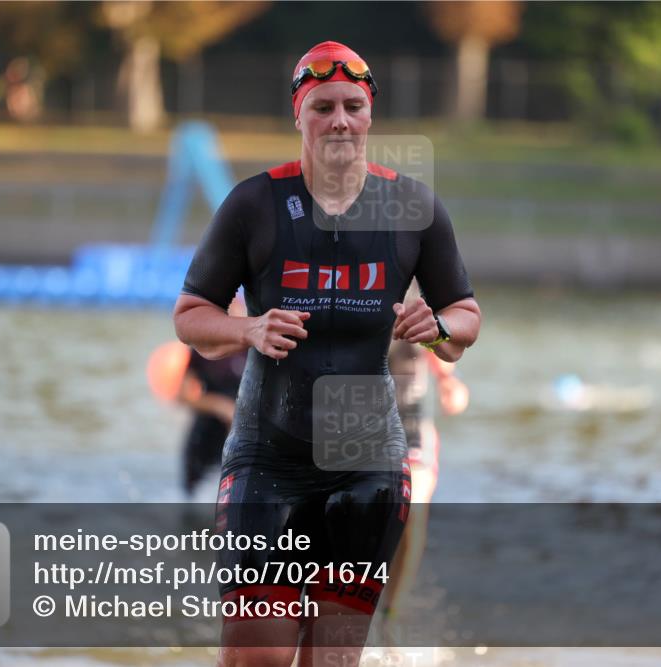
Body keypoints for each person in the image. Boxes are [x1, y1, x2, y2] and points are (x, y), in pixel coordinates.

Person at [173, 40, 481, 667]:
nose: (339, 120)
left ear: (369, 116)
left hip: (366, 472)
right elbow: (189, 316)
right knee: (256, 659)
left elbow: (466, 319)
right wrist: (249, 329)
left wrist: (437, 326)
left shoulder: (414, 209)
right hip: (267, 460)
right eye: (322, 107)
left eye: (351, 106)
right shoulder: (253, 204)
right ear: (299, 115)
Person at [380, 317, 469, 623]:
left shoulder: (419, 315)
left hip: (413, 432)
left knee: (411, 515)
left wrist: (451, 390)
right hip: (360, 430)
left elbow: (450, 382)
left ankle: (392, 614)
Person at [176, 297, 248, 498]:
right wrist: (220, 406)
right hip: (204, 436)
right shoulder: (203, 346)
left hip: (241, 435)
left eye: (238, 308)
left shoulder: (255, 347)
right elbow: (182, 396)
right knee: (192, 503)